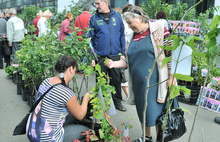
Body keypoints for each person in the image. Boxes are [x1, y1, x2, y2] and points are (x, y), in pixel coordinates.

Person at [105, 6, 176, 142]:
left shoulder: (160, 30)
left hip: (155, 82)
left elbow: (170, 55)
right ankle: (146, 137)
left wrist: (171, 76)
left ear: (139, 18)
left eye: (131, 23)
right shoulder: (132, 36)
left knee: (156, 114)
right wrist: (113, 64)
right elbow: (127, 61)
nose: (130, 27)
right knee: (142, 111)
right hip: (138, 84)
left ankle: (160, 139)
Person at [26, 55, 91, 141]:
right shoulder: (66, 93)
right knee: (87, 131)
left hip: (32, 131)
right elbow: (81, 115)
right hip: (47, 138)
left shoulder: (46, 81)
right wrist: (86, 98)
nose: (74, 74)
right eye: (75, 71)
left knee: (71, 115)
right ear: (71, 69)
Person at [89, 0, 126, 112]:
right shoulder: (94, 18)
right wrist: (92, 57)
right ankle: (105, 103)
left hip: (115, 55)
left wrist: (122, 54)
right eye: (95, 4)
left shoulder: (117, 16)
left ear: (105, 2)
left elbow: (122, 35)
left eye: (98, 3)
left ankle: (117, 102)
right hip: (100, 56)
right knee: (101, 80)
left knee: (116, 80)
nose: (96, 6)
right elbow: (90, 39)